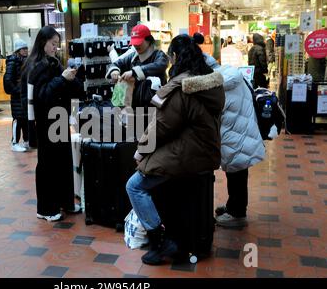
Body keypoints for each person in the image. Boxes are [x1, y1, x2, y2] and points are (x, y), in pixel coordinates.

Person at [125, 34, 225, 265]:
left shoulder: (182, 86)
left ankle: (160, 242)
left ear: (176, 57)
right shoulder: (205, 81)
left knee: (134, 186)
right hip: (203, 150)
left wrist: (141, 150)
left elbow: (162, 125)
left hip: (189, 153)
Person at [21, 26, 85, 222]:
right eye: (53, 44)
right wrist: (62, 79)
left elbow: (62, 88)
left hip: (58, 119)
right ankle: (46, 208)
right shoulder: (36, 66)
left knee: (63, 161)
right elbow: (42, 97)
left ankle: (65, 202)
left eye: (58, 44)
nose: (56, 48)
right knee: (48, 165)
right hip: (45, 122)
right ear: (43, 42)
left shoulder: (53, 62)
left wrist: (72, 80)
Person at [204, 54, 266, 227]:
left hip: (234, 133)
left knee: (236, 171)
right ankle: (233, 206)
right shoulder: (228, 74)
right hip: (239, 132)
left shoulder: (219, 83)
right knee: (236, 171)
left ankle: (237, 214)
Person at [106, 24, 169, 109]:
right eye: (134, 43)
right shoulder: (132, 57)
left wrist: (134, 72)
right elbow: (116, 64)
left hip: (155, 106)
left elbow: (160, 65)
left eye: (139, 42)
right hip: (135, 107)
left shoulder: (159, 55)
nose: (136, 45)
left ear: (148, 40)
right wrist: (114, 71)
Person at [4, 39, 30, 152]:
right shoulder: (13, 61)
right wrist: (17, 90)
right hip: (17, 96)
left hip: (23, 94)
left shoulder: (23, 61)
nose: (26, 51)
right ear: (18, 50)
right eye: (24, 49)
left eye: (26, 49)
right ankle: (14, 142)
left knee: (24, 118)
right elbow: (8, 79)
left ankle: (26, 141)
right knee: (18, 119)